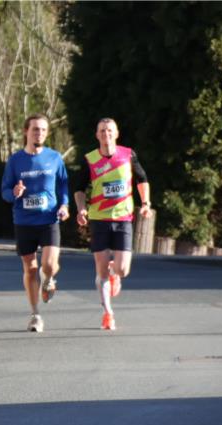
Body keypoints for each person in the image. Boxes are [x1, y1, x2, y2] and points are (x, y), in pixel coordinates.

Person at [73, 118, 150, 331]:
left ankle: (116, 274)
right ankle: (108, 313)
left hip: (123, 218)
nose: (106, 133)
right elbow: (79, 188)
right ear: (97, 135)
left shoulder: (128, 155)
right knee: (101, 271)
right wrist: (81, 208)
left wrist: (145, 203)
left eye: (109, 130)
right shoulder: (90, 159)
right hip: (99, 219)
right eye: (102, 130)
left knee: (123, 269)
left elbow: (142, 179)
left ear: (116, 134)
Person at [0, 114, 70, 333]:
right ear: (26, 132)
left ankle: (49, 279)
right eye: (35, 129)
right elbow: (4, 192)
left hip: (49, 219)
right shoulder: (15, 160)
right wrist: (14, 192)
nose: (39, 133)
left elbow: (63, 186)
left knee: (48, 265)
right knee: (30, 269)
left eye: (43, 130)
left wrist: (65, 205)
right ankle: (35, 314)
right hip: (24, 221)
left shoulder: (54, 158)